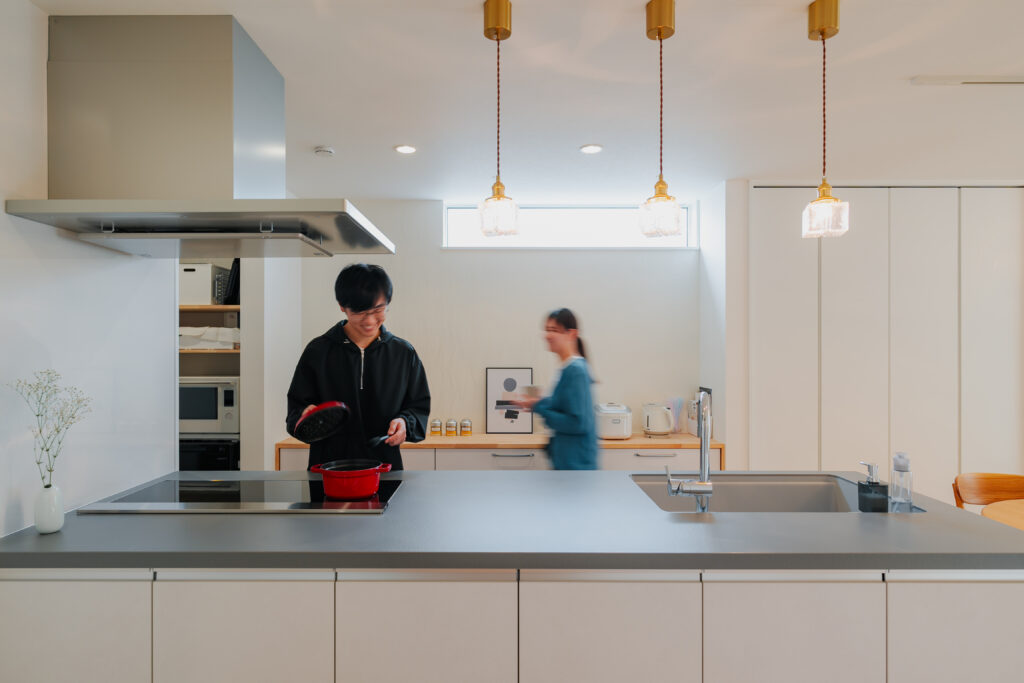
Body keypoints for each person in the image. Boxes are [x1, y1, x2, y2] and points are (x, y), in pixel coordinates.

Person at [286, 263, 430, 470]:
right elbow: (295, 412)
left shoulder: (403, 353)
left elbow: (418, 407)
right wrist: (305, 416)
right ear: (342, 306)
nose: (369, 321)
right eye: (359, 311)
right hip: (329, 470)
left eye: (378, 310)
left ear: (388, 303)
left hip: (384, 470)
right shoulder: (317, 351)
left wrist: (405, 423)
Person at [514, 308, 598, 470]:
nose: (547, 335)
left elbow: (578, 423)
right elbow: (564, 409)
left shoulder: (576, 371)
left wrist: (538, 407)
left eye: (554, 330)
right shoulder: (565, 369)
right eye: (546, 330)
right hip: (566, 463)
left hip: (575, 467)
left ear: (571, 334)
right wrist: (538, 403)